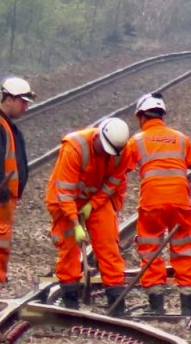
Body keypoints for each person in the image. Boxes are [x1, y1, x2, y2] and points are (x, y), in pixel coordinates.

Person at [123, 93, 191, 316]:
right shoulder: (181, 138)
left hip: (152, 201)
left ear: (142, 116)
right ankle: (188, 305)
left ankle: (156, 304)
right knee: (185, 249)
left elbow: (121, 172)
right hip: (180, 201)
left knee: (150, 247)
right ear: (162, 115)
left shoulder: (136, 141)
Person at [45, 117, 131, 313]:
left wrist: (93, 204)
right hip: (65, 200)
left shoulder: (123, 150)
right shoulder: (74, 147)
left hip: (94, 198)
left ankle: (117, 303)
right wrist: (75, 224)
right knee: (69, 248)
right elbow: (65, 192)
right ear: (99, 136)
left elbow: (114, 182)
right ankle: (70, 302)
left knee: (109, 243)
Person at [0, 76, 34, 295]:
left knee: (0, 241)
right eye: (23, 102)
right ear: (9, 99)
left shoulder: (3, 124)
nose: (26, 107)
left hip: (4, 195)